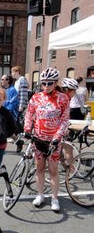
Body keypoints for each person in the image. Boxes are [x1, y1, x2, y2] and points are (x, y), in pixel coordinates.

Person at [24, 68, 70, 212]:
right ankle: (40, 194)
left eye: (49, 83)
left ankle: (54, 198)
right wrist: (26, 129)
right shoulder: (36, 97)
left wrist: (57, 137)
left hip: (53, 141)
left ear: (56, 83)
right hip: (38, 139)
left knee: (54, 170)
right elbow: (29, 114)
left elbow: (64, 120)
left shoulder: (63, 98)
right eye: (43, 83)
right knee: (39, 169)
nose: (46, 86)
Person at [11, 66, 29, 152]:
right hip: (16, 104)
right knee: (15, 121)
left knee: (16, 121)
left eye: (13, 72)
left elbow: (23, 93)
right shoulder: (17, 81)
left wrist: (21, 105)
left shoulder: (22, 80)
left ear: (17, 72)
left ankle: (19, 135)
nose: (12, 74)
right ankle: (17, 136)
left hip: (19, 104)